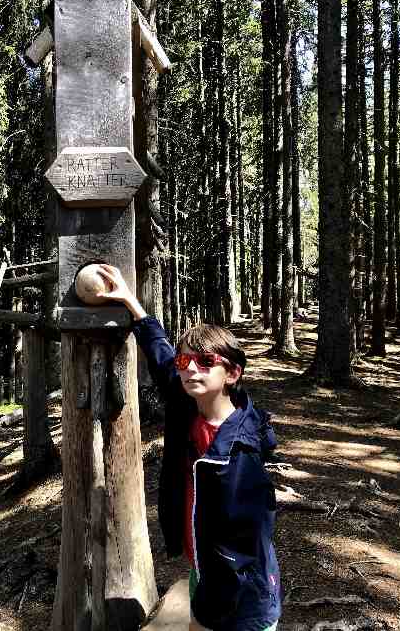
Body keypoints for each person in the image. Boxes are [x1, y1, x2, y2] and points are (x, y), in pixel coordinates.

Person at [95, 264, 281, 631]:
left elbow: (247, 543)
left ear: (232, 374)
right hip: (205, 573)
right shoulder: (187, 406)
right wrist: (134, 306)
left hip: (242, 593)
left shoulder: (240, 449)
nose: (191, 369)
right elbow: (162, 355)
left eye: (206, 361)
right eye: (186, 361)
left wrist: (217, 604)